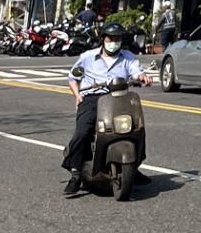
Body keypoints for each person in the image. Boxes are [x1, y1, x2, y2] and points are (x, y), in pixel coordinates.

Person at [63, 22, 152, 195]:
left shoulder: (128, 57)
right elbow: (73, 77)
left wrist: (143, 76)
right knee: (83, 132)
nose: (114, 42)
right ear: (103, 39)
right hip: (92, 98)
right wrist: (78, 96)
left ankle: (133, 166)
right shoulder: (88, 57)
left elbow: (136, 72)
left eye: (117, 38)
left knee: (136, 127)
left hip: (119, 98)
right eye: (111, 38)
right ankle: (75, 173)